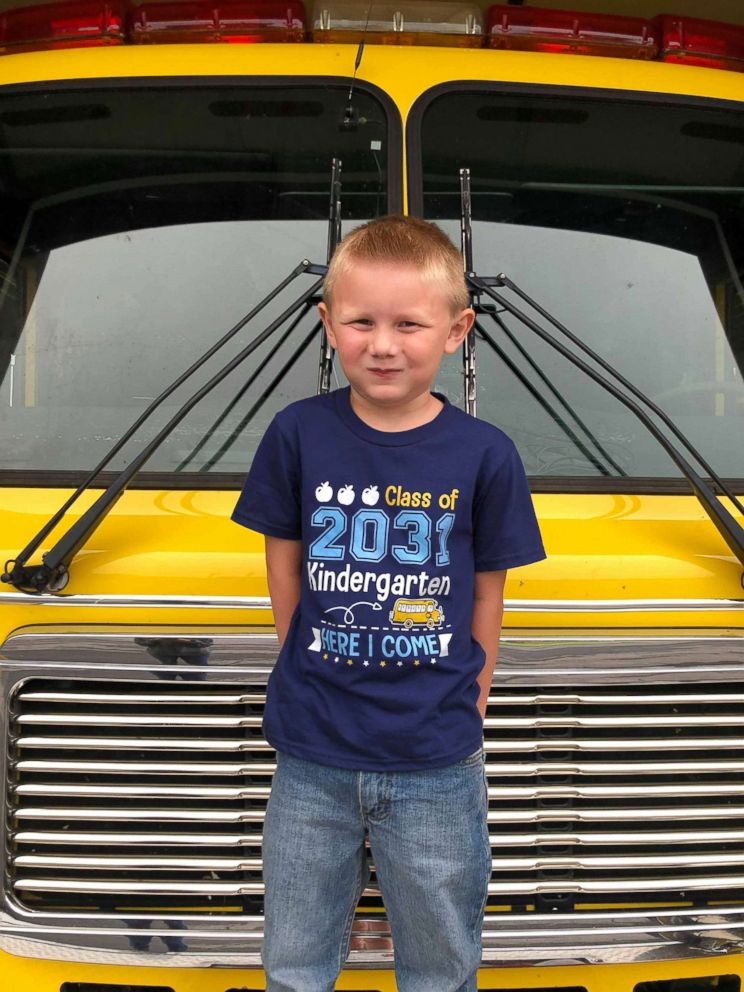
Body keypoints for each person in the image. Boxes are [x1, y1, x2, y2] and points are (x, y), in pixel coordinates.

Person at [232, 215, 545, 992]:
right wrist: (290, 642)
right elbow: (282, 545)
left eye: (409, 323)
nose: (383, 343)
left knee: (441, 956)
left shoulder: (485, 452)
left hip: (436, 759)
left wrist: (476, 693)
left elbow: (488, 585)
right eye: (361, 321)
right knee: (295, 955)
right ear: (326, 324)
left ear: (456, 330)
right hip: (311, 751)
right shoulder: (297, 432)